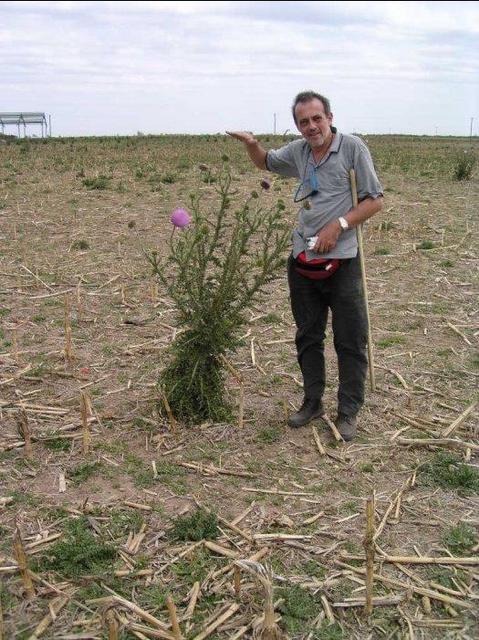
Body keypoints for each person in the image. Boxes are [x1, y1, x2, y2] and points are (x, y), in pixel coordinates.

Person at [227, 91, 383, 441]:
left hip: (343, 261)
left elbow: (375, 200)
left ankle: (348, 411)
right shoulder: (299, 153)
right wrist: (252, 144)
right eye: (303, 122)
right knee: (308, 335)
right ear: (297, 126)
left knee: (350, 339)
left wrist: (339, 225)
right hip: (303, 260)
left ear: (329, 117)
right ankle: (312, 402)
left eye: (316, 118)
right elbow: (265, 162)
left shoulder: (353, 148)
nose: (311, 126)